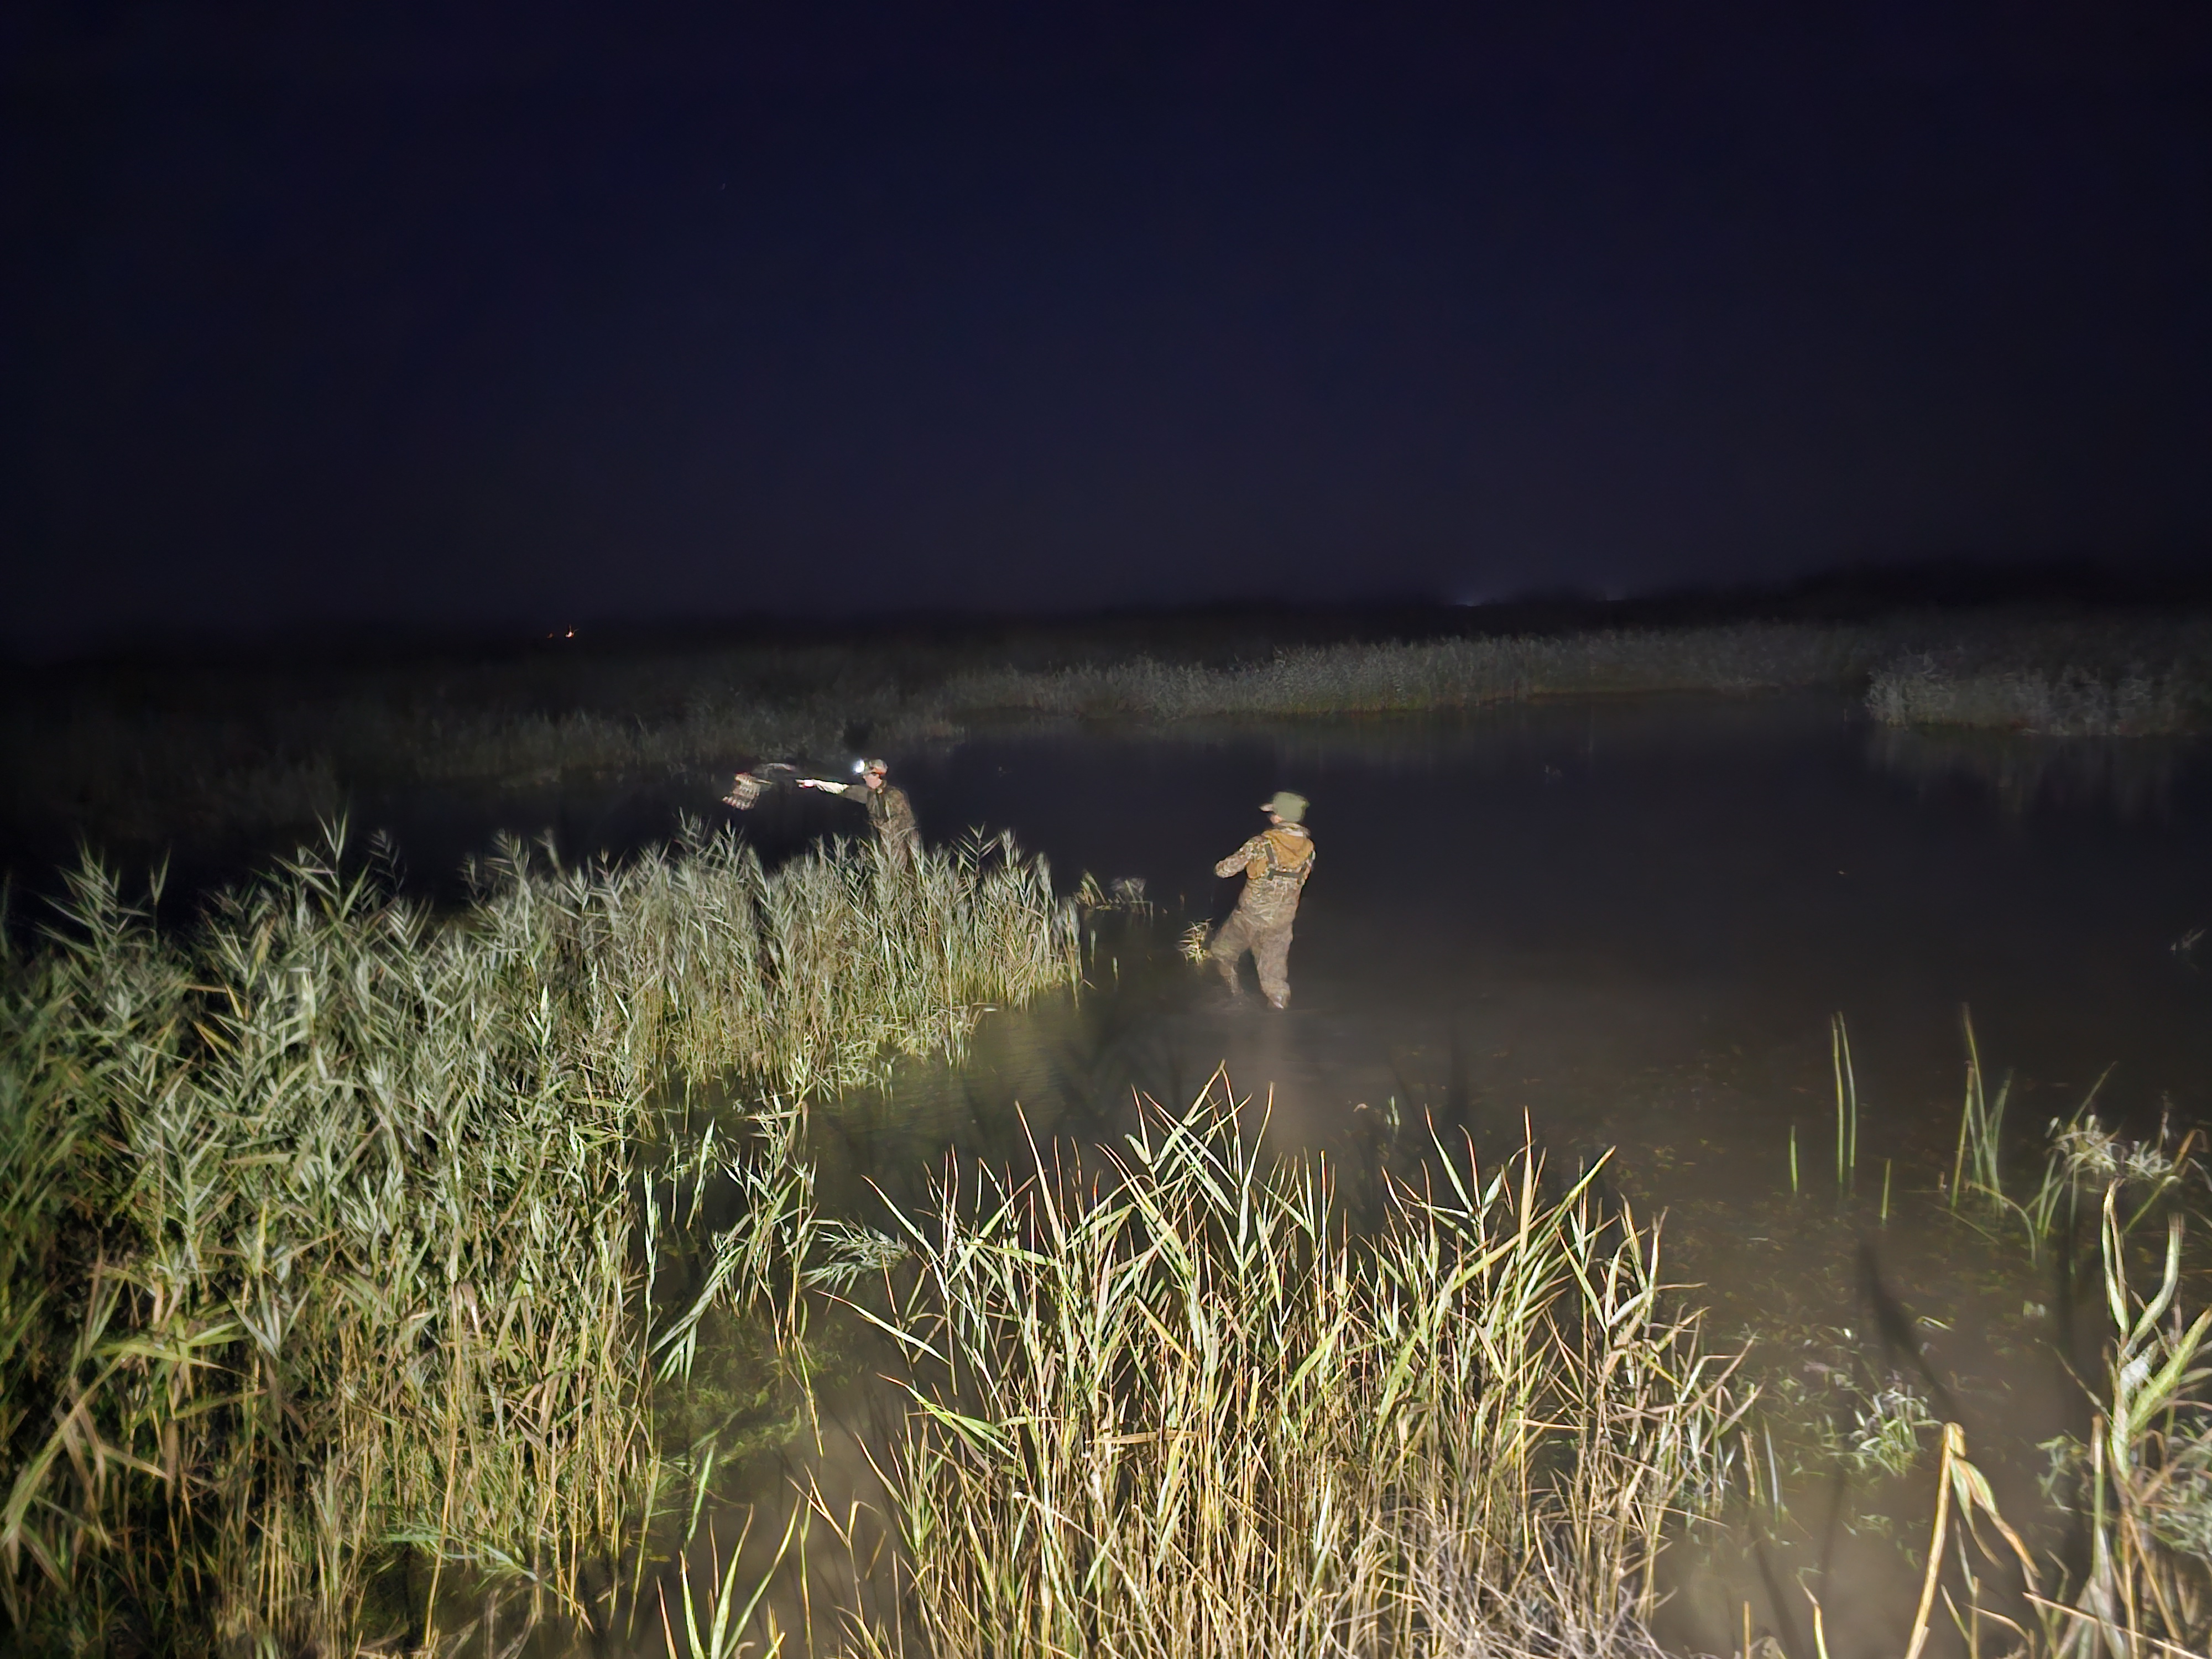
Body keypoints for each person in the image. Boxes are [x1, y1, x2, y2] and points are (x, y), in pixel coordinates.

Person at [1208, 790, 1315, 1009]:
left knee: (1221, 953)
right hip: (1282, 921)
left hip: (1250, 917)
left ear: (1280, 817)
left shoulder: (1260, 844)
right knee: (1274, 976)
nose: (1271, 817)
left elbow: (1225, 870)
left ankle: (1234, 996)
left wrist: (1217, 867)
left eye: (1273, 813)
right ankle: (1278, 1011)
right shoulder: (1309, 849)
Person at [798, 757, 924, 865]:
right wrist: (815, 783)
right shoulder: (868, 793)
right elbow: (842, 789)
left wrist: (881, 829)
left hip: (902, 845)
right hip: (884, 844)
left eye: (867, 775)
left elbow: (902, 822)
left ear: (877, 775)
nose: (864, 778)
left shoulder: (895, 794)